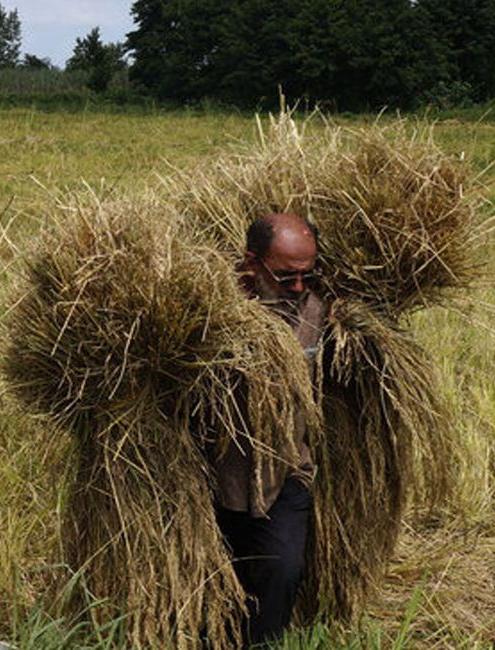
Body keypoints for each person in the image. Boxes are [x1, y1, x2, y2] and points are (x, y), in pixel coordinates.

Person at [212, 212, 325, 646]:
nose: (298, 288)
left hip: (284, 473)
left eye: (307, 275)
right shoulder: (214, 311)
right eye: (285, 277)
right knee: (221, 577)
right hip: (217, 475)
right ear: (251, 263)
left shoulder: (318, 307)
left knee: (281, 568)